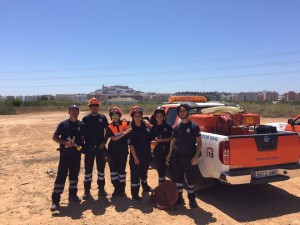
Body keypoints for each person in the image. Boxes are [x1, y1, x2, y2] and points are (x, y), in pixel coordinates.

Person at [166, 103, 202, 208]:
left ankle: (192, 200)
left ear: (188, 112)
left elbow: (199, 142)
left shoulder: (194, 127)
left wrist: (196, 157)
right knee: (177, 180)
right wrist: (169, 154)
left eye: (184, 111)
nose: (182, 113)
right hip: (178, 157)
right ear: (178, 114)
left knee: (191, 181)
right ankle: (179, 199)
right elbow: (173, 141)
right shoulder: (176, 127)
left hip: (190, 158)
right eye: (180, 111)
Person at [50, 105, 85, 212]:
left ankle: (72, 195)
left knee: (74, 176)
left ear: (78, 113)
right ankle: (55, 201)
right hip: (65, 155)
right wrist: (65, 143)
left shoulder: (81, 125)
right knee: (61, 176)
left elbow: (83, 139)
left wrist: (80, 146)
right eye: (72, 110)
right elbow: (55, 137)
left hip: (76, 156)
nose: (74, 112)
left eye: (76, 110)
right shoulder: (63, 124)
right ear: (68, 112)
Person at [82, 97, 109, 200]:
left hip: (100, 148)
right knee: (88, 171)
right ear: (90, 107)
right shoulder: (85, 119)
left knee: (101, 170)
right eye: (92, 106)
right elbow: (83, 135)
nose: (94, 107)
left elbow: (107, 132)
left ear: (98, 107)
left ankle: (101, 189)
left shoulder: (103, 117)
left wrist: (104, 142)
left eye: (96, 106)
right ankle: (86, 191)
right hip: (89, 148)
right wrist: (83, 147)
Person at [127, 106, 153, 200]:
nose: (137, 118)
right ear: (133, 117)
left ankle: (145, 187)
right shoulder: (131, 129)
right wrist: (135, 158)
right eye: (135, 116)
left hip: (146, 154)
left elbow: (150, 137)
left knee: (144, 172)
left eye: (139, 116)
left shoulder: (145, 126)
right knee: (135, 175)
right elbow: (131, 145)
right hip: (136, 156)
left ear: (141, 116)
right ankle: (135, 194)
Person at [107, 106, 132, 197]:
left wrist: (145, 121)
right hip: (112, 151)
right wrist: (125, 133)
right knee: (113, 171)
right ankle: (116, 188)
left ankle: (122, 189)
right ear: (111, 116)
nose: (115, 117)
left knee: (121, 171)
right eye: (113, 115)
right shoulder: (110, 126)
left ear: (119, 115)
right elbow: (113, 138)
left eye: (116, 114)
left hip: (123, 151)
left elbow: (136, 122)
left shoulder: (125, 123)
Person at [150, 107, 173, 186]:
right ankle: (161, 187)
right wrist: (153, 142)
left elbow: (171, 138)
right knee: (160, 170)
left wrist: (161, 140)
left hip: (168, 151)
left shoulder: (168, 127)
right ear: (155, 117)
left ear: (164, 117)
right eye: (157, 116)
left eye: (161, 116)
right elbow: (150, 139)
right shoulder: (154, 127)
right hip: (157, 152)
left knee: (172, 171)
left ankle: (172, 189)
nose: (159, 118)